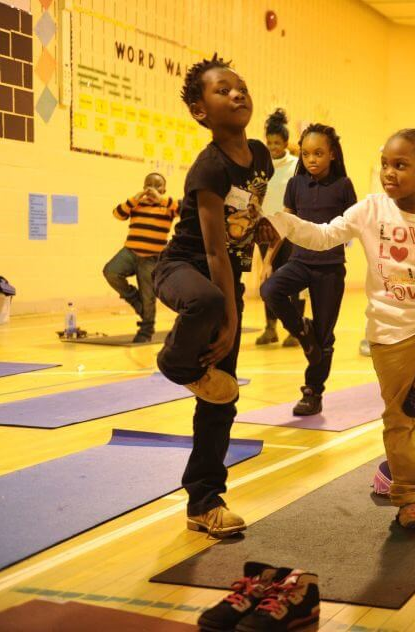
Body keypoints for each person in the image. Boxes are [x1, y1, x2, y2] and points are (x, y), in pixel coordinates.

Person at [261, 129, 415, 530]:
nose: (389, 173)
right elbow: (324, 237)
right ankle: (407, 498)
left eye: (401, 165)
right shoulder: (370, 209)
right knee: (399, 420)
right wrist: (279, 221)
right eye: (385, 165)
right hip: (390, 333)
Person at [155, 54, 274, 537]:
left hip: (224, 283)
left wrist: (272, 242)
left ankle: (204, 500)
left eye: (240, 85)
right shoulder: (208, 167)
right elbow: (214, 249)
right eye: (222, 90)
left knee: (221, 399)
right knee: (207, 302)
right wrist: (229, 317)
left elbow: (252, 217)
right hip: (184, 270)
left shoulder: (261, 155)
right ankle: (177, 365)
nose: (237, 94)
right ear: (200, 111)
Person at [260, 123, 356, 415]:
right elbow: (285, 224)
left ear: (332, 155)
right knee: (270, 290)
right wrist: (266, 261)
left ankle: (313, 392)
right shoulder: (295, 184)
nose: (311, 159)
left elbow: (356, 224)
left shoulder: (343, 186)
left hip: (330, 269)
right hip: (299, 262)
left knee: (325, 338)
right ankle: (302, 330)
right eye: (306, 154)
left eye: (318, 153)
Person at [104, 172, 178, 343]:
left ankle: (145, 332)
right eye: (148, 185)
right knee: (111, 272)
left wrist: (161, 199)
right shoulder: (137, 204)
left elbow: (184, 209)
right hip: (130, 251)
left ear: (164, 189)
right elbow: (117, 214)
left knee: (148, 296)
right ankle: (133, 298)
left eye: (156, 185)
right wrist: (134, 198)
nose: (152, 189)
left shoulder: (168, 206)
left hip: (152, 257)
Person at [255, 108, 301, 347]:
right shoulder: (261, 164)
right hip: (266, 229)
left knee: (292, 280)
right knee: (268, 278)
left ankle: (295, 329)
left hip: (291, 231)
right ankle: (270, 327)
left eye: (277, 143)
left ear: (285, 142)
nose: (273, 147)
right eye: (269, 142)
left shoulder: (295, 165)